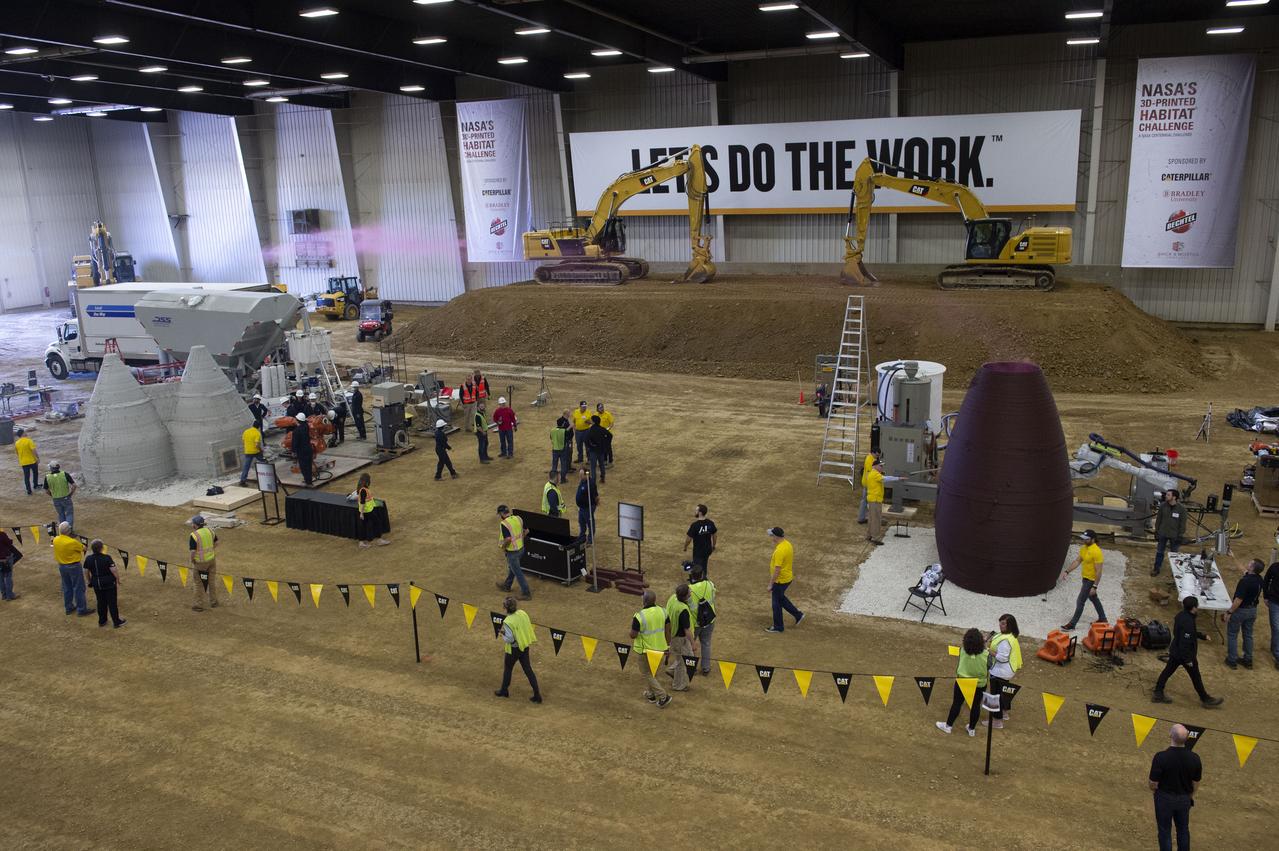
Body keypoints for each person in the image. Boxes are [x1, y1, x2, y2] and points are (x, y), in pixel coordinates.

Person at [1152, 596, 1224, 706]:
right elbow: (1185, 641)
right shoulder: (1189, 621)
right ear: (1194, 608)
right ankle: (1205, 699)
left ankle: (1158, 692)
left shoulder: (1181, 616)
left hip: (1175, 651)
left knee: (1167, 671)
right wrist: (1188, 659)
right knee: (1195, 676)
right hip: (1185, 655)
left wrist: (1202, 636)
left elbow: (1184, 633)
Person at [1149, 724, 1201, 851]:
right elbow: (1196, 782)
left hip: (1164, 798)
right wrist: (1189, 796)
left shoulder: (1161, 757)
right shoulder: (1194, 758)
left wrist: (1157, 792)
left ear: (1170, 735)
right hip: (1184, 798)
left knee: (1165, 831)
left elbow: (1153, 783)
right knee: (1183, 830)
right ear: (1187, 739)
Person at [935, 628, 988, 736]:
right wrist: (984, 646)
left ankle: (948, 726)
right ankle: (972, 729)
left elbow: (970, 649)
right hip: (980, 684)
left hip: (962, 682)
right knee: (975, 706)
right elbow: (988, 662)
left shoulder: (962, 650)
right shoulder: (987, 654)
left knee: (957, 703)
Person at [495, 596, 542, 703]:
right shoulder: (522, 613)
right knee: (528, 670)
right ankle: (537, 694)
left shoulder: (508, 621)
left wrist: (503, 634)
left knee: (508, 668)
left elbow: (510, 639)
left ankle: (504, 690)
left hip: (514, 648)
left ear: (505, 607)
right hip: (524, 646)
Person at [630, 590, 672, 708]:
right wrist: (668, 646)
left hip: (645, 650)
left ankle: (663, 696)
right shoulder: (664, 612)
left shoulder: (639, 616)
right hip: (660, 649)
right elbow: (668, 630)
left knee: (647, 674)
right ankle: (651, 694)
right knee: (653, 673)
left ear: (644, 601)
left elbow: (633, 635)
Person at [1061, 529, 1107, 630]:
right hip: (1085, 578)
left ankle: (1072, 624)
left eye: (1087, 539)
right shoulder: (1084, 548)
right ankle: (1103, 618)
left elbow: (1099, 571)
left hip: (1091, 580)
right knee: (1093, 598)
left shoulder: (1096, 552)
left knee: (1080, 601)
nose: (1084, 541)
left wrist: (1095, 586)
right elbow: (1077, 561)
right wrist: (1067, 571)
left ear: (1093, 539)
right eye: (1084, 539)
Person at [1225, 557, 1264, 669]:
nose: (1248, 563)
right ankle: (1248, 659)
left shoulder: (1244, 581)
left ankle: (1232, 660)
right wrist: (1233, 557)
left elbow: (1238, 600)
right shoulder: (1259, 578)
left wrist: (1229, 611)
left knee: (1232, 634)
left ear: (1252, 568)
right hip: (1252, 610)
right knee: (1248, 635)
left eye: (1250, 563)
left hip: (1241, 610)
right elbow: (1243, 569)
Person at [764, 527, 804, 633]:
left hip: (780, 580)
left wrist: (770, 584)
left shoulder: (780, 551)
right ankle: (798, 615)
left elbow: (777, 569)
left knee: (776, 604)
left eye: (772, 535)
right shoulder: (787, 544)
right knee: (781, 599)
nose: (771, 537)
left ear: (776, 537)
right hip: (787, 578)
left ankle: (778, 626)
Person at [985, 614, 1021, 728]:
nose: (1000, 625)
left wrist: (987, 650)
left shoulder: (1005, 640)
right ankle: (1005, 713)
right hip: (1007, 671)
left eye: (1003, 623)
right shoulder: (1010, 636)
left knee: (995, 696)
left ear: (1009, 625)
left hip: (1000, 671)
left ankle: (997, 720)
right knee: (1004, 692)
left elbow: (1002, 658)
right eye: (1000, 622)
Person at [84, 539, 125, 629]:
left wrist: (89, 581)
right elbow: (113, 570)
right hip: (108, 583)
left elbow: (86, 571)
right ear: (101, 548)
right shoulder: (107, 558)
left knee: (101, 602)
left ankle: (102, 621)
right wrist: (118, 579)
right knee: (112, 602)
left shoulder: (88, 559)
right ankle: (116, 622)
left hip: (96, 583)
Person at [53, 522, 92, 617]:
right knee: (78, 587)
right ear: (69, 531)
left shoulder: (56, 539)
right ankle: (81, 609)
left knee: (67, 587)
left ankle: (68, 607)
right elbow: (83, 548)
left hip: (62, 566)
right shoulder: (72, 542)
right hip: (73, 566)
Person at [864, 458, 903, 545]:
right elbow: (886, 479)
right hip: (875, 500)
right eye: (880, 466)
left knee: (872, 518)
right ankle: (875, 538)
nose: (882, 467)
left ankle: (869, 535)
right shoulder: (875, 475)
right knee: (876, 519)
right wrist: (898, 478)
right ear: (875, 466)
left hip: (872, 499)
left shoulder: (873, 473)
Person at [496, 505, 531, 599]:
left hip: (512, 552)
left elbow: (507, 539)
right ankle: (507, 585)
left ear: (501, 514)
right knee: (513, 568)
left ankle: (526, 593)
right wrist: (520, 540)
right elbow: (527, 531)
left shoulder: (504, 523)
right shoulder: (518, 518)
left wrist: (504, 547)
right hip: (521, 549)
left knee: (518, 572)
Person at [665, 583, 695, 691]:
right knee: (683, 661)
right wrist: (693, 643)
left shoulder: (673, 598)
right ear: (685, 596)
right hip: (679, 638)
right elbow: (686, 630)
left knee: (687, 657)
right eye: (689, 592)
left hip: (672, 634)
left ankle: (672, 670)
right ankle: (678, 685)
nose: (691, 592)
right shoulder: (683, 610)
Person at [688, 564, 716, 677]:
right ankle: (706, 668)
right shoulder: (710, 584)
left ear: (692, 576)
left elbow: (688, 605)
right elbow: (713, 597)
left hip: (695, 623)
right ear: (702, 574)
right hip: (709, 619)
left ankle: (691, 667)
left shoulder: (689, 590)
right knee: (706, 643)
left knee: (690, 645)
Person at [1152, 490, 1187, 576]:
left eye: (1168, 495)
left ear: (1174, 497)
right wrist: (1156, 531)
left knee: (1174, 554)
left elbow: (1183, 523)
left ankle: (1175, 571)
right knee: (1160, 552)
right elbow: (1159, 519)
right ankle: (1156, 568)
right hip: (1163, 533)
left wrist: (1180, 535)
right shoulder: (1163, 506)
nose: (1166, 496)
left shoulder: (1181, 509)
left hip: (1174, 535)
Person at [189, 514, 219, 612]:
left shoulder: (194, 535)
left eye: (193, 523)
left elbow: (193, 551)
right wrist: (210, 551)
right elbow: (216, 543)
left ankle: (198, 605)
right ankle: (214, 602)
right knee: (211, 582)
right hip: (211, 561)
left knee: (198, 584)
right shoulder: (210, 531)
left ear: (196, 525)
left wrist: (192, 560)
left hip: (200, 563)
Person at [355, 473, 390, 549]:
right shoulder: (363, 490)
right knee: (377, 522)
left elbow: (367, 500)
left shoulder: (361, 488)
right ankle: (379, 540)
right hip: (368, 511)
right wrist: (361, 513)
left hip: (365, 511)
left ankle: (361, 543)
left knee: (362, 526)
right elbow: (363, 502)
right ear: (367, 480)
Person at [683, 504, 717, 573]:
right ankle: (704, 576)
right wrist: (713, 545)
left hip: (698, 551)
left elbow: (689, 539)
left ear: (700, 513)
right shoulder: (710, 523)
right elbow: (714, 535)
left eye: (696, 510)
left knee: (697, 568)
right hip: (708, 549)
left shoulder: (695, 525)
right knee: (704, 564)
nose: (695, 512)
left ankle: (701, 579)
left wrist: (685, 547)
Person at [44, 461, 76, 530]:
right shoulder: (65, 474)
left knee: (61, 514)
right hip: (66, 497)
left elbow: (46, 490)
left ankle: (63, 530)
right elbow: (74, 485)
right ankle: (69, 530)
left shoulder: (47, 477)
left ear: (51, 468)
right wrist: (70, 494)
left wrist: (52, 495)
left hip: (56, 499)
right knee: (69, 514)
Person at [856, 448, 881, 525]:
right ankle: (862, 518)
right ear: (873, 453)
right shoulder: (869, 460)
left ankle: (862, 517)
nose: (877, 457)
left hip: (867, 483)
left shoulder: (870, 458)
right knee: (866, 501)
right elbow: (870, 474)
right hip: (868, 484)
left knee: (865, 501)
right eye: (876, 455)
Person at [575, 467, 598, 544]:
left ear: (586, 475)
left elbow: (596, 496)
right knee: (581, 522)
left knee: (589, 522)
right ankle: (582, 536)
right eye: (579, 475)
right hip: (581, 507)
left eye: (581, 475)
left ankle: (590, 539)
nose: (580, 476)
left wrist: (593, 506)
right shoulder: (582, 481)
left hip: (588, 507)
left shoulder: (591, 484)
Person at [14, 427, 38, 496]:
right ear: (23, 434)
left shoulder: (16, 443)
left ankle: (29, 491)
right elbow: (34, 450)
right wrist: (37, 458)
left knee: (26, 477)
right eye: (24, 432)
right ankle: (35, 485)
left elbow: (17, 453)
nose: (26, 433)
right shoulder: (29, 441)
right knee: (35, 473)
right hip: (32, 461)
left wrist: (21, 458)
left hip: (23, 462)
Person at [586, 415, 609, 484]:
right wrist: (605, 444)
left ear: (593, 422)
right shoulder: (602, 429)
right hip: (601, 450)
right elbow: (610, 436)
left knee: (593, 466)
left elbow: (586, 440)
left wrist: (590, 446)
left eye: (591, 420)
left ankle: (593, 481)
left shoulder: (590, 430)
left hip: (593, 451)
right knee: (601, 464)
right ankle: (602, 478)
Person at [1264, 560, 1279, 670]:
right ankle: (1277, 654)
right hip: (1274, 601)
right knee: (1276, 627)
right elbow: (1266, 579)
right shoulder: (1275, 567)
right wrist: (1265, 596)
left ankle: (1275, 648)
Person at [292, 415, 314, 486]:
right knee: (309, 465)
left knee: (303, 466)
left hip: (301, 451)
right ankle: (309, 480)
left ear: (298, 420)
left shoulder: (296, 431)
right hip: (308, 448)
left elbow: (295, 442)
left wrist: (294, 452)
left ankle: (308, 482)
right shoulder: (306, 426)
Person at [239, 421, 263, 487]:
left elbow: (243, 440)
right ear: (259, 427)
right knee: (263, 462)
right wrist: (261, 450)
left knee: (246, 467)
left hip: (248, 452)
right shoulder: (257, 433)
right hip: (256, 451)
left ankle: (242, 480)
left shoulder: (246, 431)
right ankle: (266, 475)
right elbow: (257, 444)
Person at [0, 529, 21, 601]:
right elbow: (9, 543)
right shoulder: (2, 534)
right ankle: (10, 595)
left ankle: (4, 595)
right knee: (8, 577)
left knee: (1, 578)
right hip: (6, 558)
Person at [549, 415, 571, 483]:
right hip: (563, 449)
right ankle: (563, 479)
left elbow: (551, 438)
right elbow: (568, 437)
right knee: (563, 464)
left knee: (554, 464)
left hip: (555, 449)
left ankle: (553, 478)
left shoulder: (552, 430)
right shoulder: (563, 431)